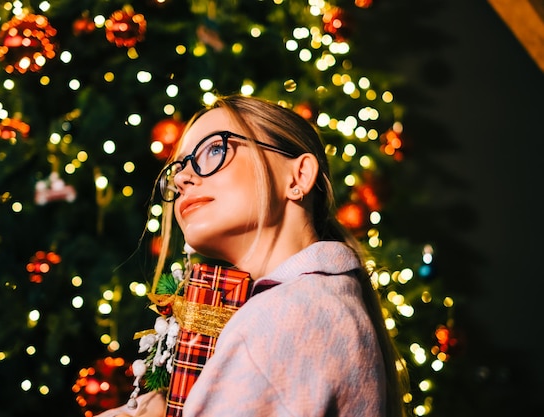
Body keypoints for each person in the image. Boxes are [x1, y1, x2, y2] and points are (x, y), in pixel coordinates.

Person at [98, 94, 409, 417]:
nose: (181, 178)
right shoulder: (319, 303)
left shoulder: (284, 317)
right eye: (178, 167)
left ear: (298, 176)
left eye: (214, 150)